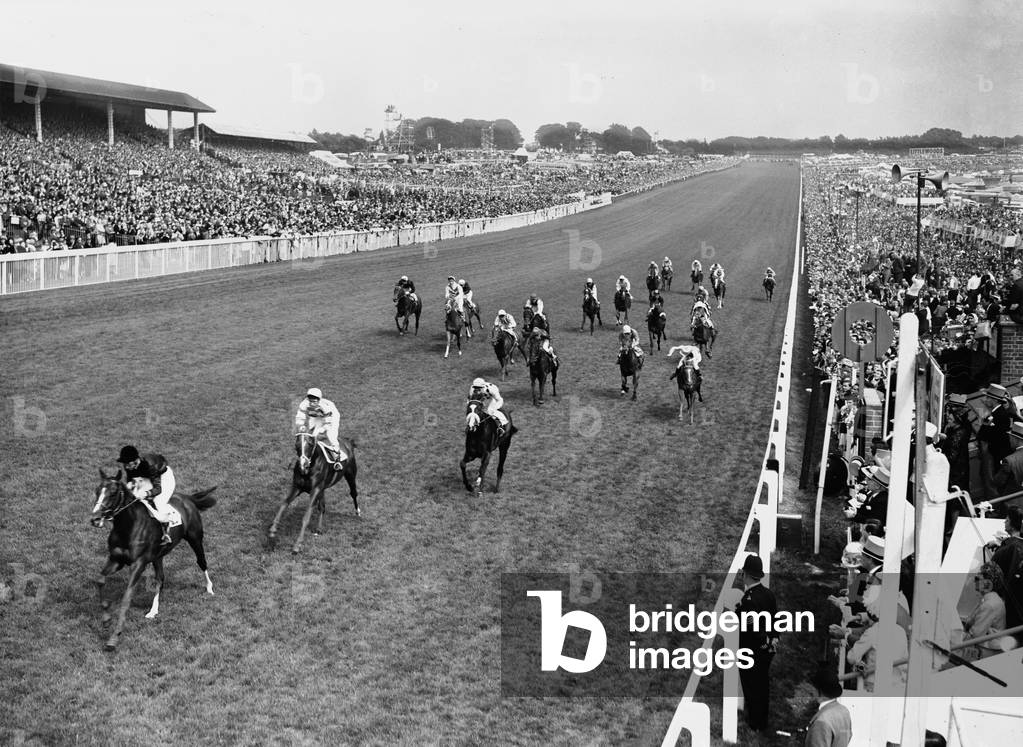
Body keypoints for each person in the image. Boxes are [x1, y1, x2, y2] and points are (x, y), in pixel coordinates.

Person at [735, 554, 778, 732]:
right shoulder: (768, 594)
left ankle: (755, 722)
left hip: (752, 649)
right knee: (762, 684)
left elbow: (751, 628)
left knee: (752, 685)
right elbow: (776, 619)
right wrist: (774, 638)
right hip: (768, 648)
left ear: (746, 574)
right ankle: (762, 720)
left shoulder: (748, 600)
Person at [116, 445, 176, 545]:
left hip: (163, 477)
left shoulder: (150, 465)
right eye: (124, 463)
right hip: (147, 476)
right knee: (134, 496)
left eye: (127, 463)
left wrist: (147, 493)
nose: (125, 466)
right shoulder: (130, 466)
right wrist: (130, 485)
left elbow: (158, 489)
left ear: (135, 461)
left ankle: (167, 530)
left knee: (158, 501)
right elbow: (131, 480)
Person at [960, 562, 1008, 661]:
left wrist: (954, 635)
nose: (975, 581)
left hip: (987, 651)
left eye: (978, 579)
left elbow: (974, 636)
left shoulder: (989, 605)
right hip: (989, 646)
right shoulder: (992, 600)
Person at [988, 505, 1023, 636]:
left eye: (1007, 520)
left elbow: (994, 570)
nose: (1004, 521)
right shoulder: (1015, 546)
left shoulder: (1009, 547)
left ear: (1012, 524)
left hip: (1006, 604)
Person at [294, 387, 344, 470]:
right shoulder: (304, 404)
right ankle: (306, 456)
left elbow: (328, 423)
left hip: (331, 417)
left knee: (330, 435)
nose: (312, 403)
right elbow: (300, 416)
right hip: (316, 416)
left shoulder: (325, 407)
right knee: (311, 435)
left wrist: (322, 429)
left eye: (314, 401)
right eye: (310, 401)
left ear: (319, 400)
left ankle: (337, 460)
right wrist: (301, 425)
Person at [802, 667, 852, 747]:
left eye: (812, 687)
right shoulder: (844, 710)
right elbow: (848, 736)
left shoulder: (821, 721)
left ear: (819, 690)